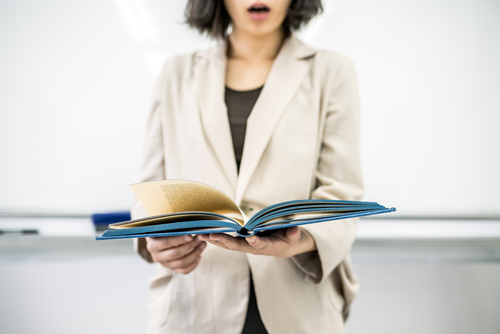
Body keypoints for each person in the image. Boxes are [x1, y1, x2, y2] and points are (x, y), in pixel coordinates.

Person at [131, 0, 363, 333]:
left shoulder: (332, 71)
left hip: (297, 306)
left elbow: (342, 194)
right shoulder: (176, 73)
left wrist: (295, 241)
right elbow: (152, 188)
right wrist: (157, 241)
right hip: (194, 301)